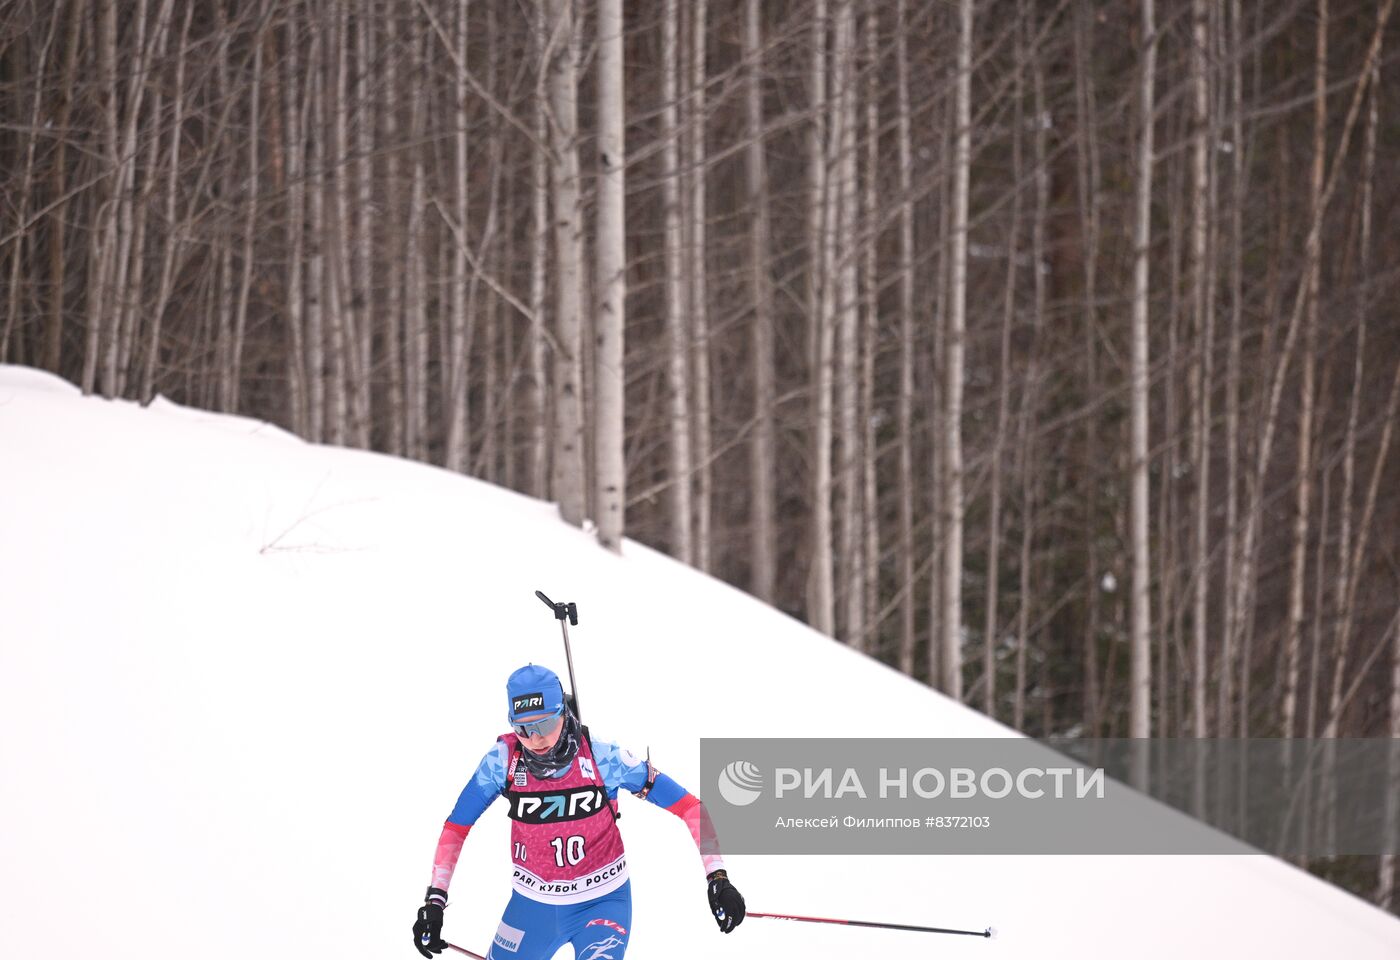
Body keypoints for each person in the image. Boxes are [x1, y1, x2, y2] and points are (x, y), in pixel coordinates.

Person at [412, 664, 745, 959]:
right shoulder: (502, 762)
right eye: (524, 729)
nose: (536, 739)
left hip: (602, 903)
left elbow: (690, 808)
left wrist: (718, 878)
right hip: (531, 908)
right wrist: (435, 900)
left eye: (544, 724)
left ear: (564, 712)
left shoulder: (604, 758)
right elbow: (457, 827)